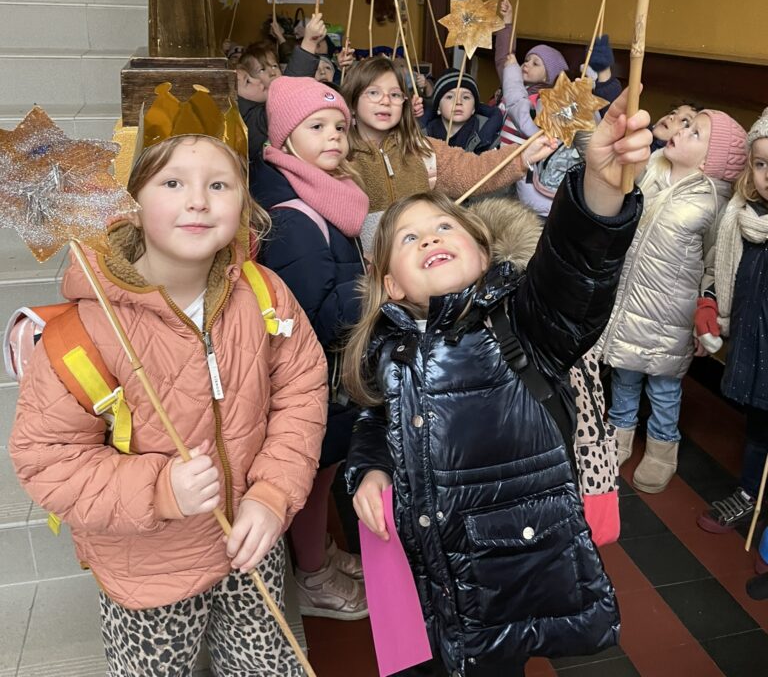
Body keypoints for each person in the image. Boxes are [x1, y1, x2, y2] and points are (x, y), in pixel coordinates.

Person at [343, 89, 651, 676]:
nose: (429, 238)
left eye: (443, 227)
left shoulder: (521, 324)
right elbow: (374, 421)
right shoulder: (387, 347)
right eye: (409, 238)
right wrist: (370, 469)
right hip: (424, 576)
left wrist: (601, 191)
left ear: (484, 254)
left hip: (504, 577)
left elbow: (575, 270)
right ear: (392, 286)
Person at [10, 132, 327, 675]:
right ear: (131, 207)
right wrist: (159, 490)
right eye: (173, 182)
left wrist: (274, 494)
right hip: (147, 567)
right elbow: (47, 459)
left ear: (244, 205)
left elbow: (301, 388)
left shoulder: (265, 293)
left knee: (267, 666)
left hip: (250, 542)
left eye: (219, 184)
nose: (198, 199)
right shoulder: (83, 334)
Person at [251, 77, 369, 620]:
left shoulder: (319, 191)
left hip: (333, 370)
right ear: (284, 137)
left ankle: (318, 551)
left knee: (322, 474)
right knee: (310, 475)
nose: (335, 138)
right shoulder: (296, 217)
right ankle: (314, 575)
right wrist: (381, 288)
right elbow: (313, 311)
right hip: (316, 374)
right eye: (317, 127)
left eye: (341, 127)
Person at [599, 110, 748, 493]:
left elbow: (716, 261)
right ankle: (619, 435)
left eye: (694, 131)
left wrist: (710, 314)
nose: (681, 130)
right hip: (631, 296)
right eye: (685, 124)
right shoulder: (650, 169)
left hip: (673, 311)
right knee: (624, 372)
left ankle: (663, 449)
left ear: (708, 160)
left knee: (663, 387)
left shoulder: (716, 201)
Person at [341, 57, 549, 252]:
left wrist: (521, 157)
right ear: (352, 102)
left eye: (395, 94)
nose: (386, 101)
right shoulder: (339, 156)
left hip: (420, 260)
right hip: (363, 268)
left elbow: (472, 170)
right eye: (374, 93)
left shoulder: (422, 149)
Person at [696, 108, 768, 534]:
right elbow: (716, 271)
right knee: (758, 426)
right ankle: (748, 492)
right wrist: (709, 305)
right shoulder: (740, 219)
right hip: (753, 343)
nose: (767, 175)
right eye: (761, 164)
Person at [236, 12, 331, 165]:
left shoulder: (254, 111)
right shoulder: (249, 122)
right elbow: (289, 94)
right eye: (248, 82)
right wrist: (308, 43)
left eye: (275, 66)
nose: (257, 81)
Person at [422, 69, 503, 152]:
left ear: (474, 108)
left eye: (466, 97)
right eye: (449, 97)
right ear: (438, 108)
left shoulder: (488, 137)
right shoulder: (422, 137)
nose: (458, 102)